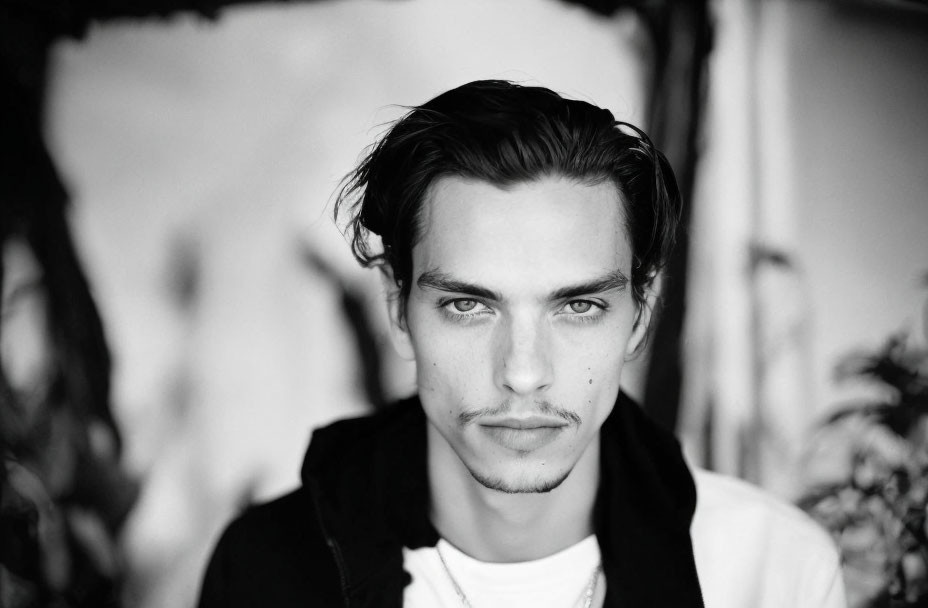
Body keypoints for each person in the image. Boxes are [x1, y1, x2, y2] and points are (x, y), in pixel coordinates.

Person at [197, 80, 845, 608]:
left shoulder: (775, 570)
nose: (524, 373)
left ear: (639, 318)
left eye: (579, 306)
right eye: (468, 305)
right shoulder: (265, 567)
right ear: (399, 311)